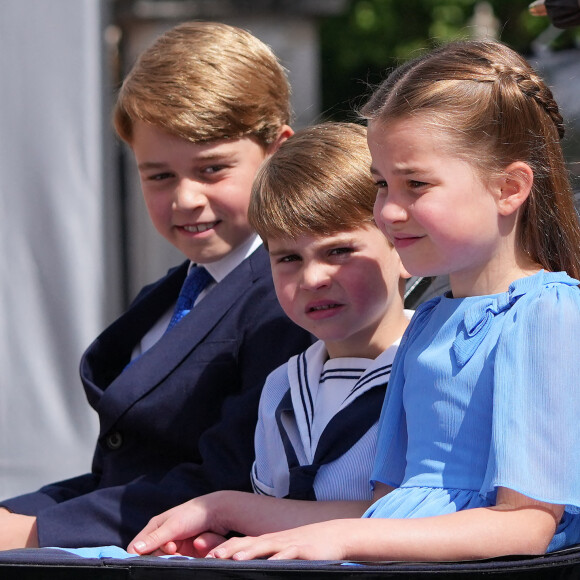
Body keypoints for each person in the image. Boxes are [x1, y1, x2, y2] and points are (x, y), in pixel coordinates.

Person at [132, 39, 580, 562]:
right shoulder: (433, 319)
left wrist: (341, 540)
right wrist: (227, 512)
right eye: (382, 185)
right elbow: (385, 511)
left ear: (509, 188)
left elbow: (525, 525)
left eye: (415, 184)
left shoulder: (548, 312)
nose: (388, 211)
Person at [0, 21, 313, 550]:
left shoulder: (293, 297)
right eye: (159, 175)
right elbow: (123, 473)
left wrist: (35, 530)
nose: (186, 198)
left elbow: (236, 471)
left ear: (277, 154)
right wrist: (21, 511)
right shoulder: (170, 294)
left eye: (212, 170)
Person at [126, 122, 412, 558]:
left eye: (339, 251)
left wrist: (229, 510)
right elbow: (279, 518)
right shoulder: (282, 387)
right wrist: (234, 542)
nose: (313, 278)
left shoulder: (437, 367)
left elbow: (418, 521)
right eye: (288, 259)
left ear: (403, 248)